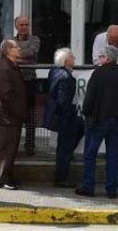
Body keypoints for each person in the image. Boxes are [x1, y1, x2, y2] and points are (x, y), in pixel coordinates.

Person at [76, 46, 118, 199]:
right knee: (112, 155)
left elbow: (89, 98)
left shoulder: (98, 73)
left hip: (98, 120)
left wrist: (86, 113)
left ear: (107, 59)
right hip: (117, 120)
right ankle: (111, 189)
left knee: (90, 154)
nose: (100, 59)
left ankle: (88, 186)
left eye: (102, 56)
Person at [44, 48, 84, 187]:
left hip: (61, 115)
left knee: (79, 129)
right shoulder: (66, 77)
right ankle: (61, 178)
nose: (75, 59)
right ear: (66, 60)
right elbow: (63, 100)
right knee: (64, 148)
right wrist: (69, 113)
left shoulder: (54, 72)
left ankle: (62, 172)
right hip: (65, 117)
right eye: (72, 57)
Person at [0, 39, 26, 190]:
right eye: (15, 47)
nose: (19, 49)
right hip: (9, 115)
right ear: (7, 50)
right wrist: (16, 111)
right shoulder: (4, 67)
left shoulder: (12, 66)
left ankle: (8, 176)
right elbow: (6, 95)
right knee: (7, 147)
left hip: (13, 114)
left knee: (12, 147)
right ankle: (3, 178)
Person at [11, 15, 40, 157]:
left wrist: (16, 57)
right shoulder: (10, 41)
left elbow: (32, 52)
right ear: (16, 26)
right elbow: (6, 57)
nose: (24, 27)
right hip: (15, 82)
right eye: (21, 24)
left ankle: (30, 145)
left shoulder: (34, 40)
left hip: (29, 81)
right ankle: (14, 145)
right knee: (15, 114)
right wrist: (20, 58)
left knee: (30, 115)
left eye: (26, 24)